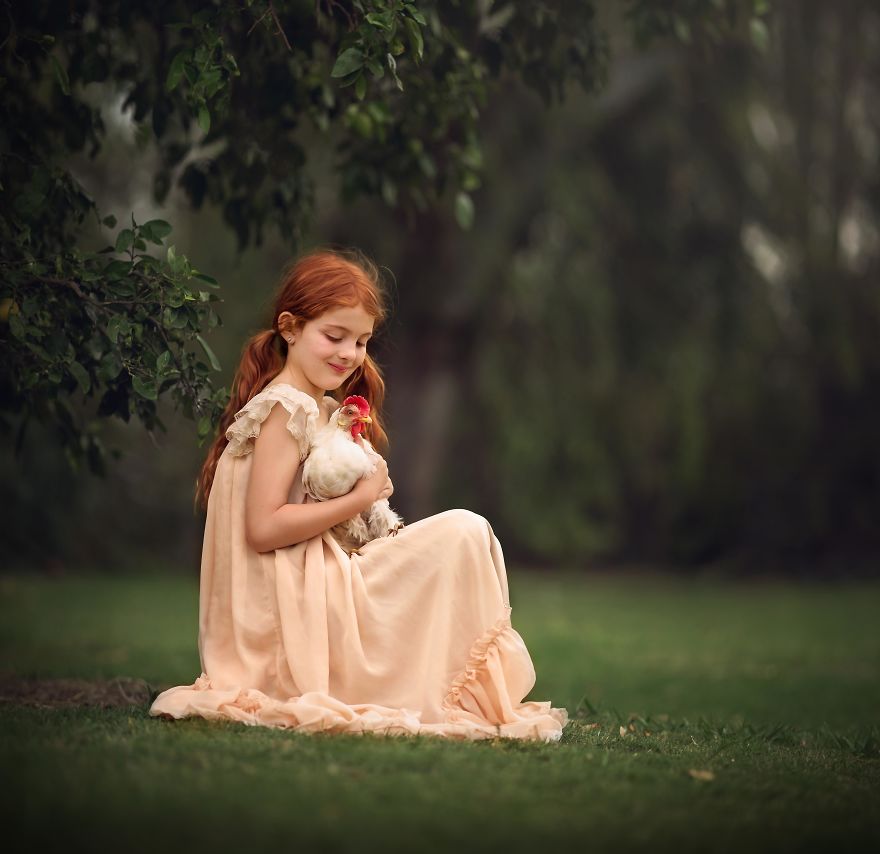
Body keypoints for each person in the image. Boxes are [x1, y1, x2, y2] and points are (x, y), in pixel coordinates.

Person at [149, 247, 569, 742]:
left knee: (460, 534)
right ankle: (446, 691)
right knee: (464, 532)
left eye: (362, 341)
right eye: (334, 336)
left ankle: (451, 689)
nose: (348, 353)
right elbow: (263, 529)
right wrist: (360, 495)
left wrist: (366, 511)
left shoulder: (316, 407)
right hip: (294, 609)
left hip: (314, 582)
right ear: (290, 328)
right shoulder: (286, 409)